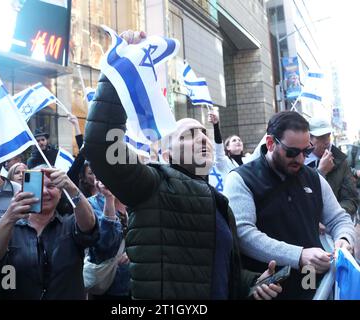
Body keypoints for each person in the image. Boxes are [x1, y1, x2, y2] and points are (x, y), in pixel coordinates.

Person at [82, 29, 282, 300]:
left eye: (203, 133)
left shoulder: (219, 201)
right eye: (188, 135)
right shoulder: (153, 185)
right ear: (165, 154)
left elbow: (216, 269)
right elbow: (100, 144)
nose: (202, 139)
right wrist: (122, 66)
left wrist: (252, 282)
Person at [224, 111, 356, 299]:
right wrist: (298, 256)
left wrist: (344, 239)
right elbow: (244, 233)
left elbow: (338, 218)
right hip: (269, 284)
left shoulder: (313, 178)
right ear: (270, 143)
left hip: (310, 279)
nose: (301, 159)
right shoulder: (241, 179)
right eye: (292, 152)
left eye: (306, 151)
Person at [0, 167, 98, 300]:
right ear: (23, 190)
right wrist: (9, 218)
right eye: (38, 186)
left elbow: (89, 227)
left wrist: (73, 189)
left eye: (51, 186)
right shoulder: (6, 224)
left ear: (61, 193)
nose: (44, 192)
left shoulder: (70, 225)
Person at [305, 118, 358, 216]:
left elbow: (350, 198)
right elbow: (300, 200)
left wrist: (336, 217)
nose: (326, 141)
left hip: (336, 224)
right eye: (320, 137)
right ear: (309, 138)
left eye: (328, 136)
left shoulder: (340, 161)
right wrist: (320, 172)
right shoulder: (298, 161)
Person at [87, 181, 130, 299]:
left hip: (134, 283)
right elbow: (104, 245)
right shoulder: (91, 204)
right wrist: (109, 198)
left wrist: (134, 253)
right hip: (107, 286)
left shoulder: (134, 203)